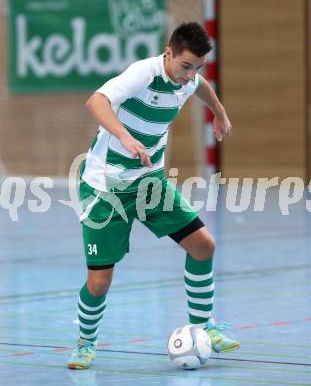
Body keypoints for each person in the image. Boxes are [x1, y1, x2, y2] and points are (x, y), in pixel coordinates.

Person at [67, 21, 240, 369]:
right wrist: (125, 137)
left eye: (197, 68)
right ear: (168, 53)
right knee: (99, 283)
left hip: (150, 182)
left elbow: (201, 87)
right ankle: (85, 343)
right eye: (185, 66)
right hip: (106, 187)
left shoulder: (187, 80)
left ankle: (204, 326)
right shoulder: (143, 73)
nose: (190, 76)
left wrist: (218, 111)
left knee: (203, 245)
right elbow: (96, 101)